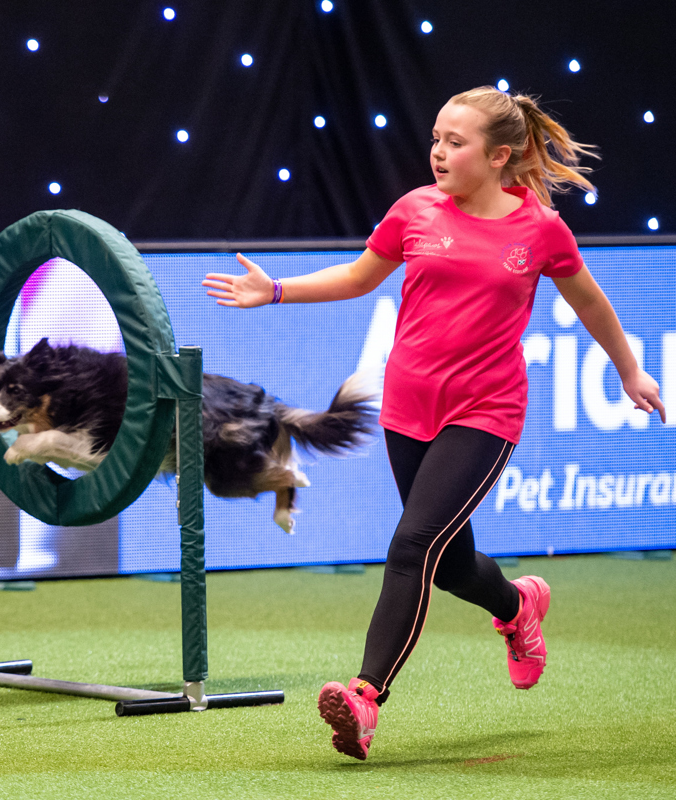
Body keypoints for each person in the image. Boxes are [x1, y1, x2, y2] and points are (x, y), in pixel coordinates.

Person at [201, 86, 666, 761]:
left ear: (498, 156)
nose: (439, 153)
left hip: (485, 413)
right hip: (409, 407)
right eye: (436, 140)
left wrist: (630, 370)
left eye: (456, 142)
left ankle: (365, 697)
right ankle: (518, 607)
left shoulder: (540, 230)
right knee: (448, 567)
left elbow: (588, 299)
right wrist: (273, 290)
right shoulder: (414, 210)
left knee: (412, 545)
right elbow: (359, 277)